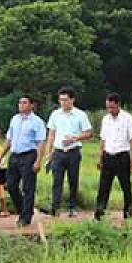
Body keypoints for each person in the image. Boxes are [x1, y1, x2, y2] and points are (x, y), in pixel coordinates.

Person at [43, 87, 93, 217]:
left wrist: (75, 138)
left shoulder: (80, 115)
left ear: (72, 100)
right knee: (57, 181)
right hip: (58, 152)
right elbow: (51, 134)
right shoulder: (55, 114)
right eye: (61, 100)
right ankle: (55, 208)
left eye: (65, 100)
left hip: (73, 152)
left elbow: (88, 133)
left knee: (73, 180)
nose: (63, 103)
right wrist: (48, 153)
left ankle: (72, 207)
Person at [1, 94, 46, 227]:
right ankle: (24, 210)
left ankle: (25, 218)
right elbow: (9, 138)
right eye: (20, 102)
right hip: (14, 155)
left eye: (25, 102)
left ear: (32, 105)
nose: (21, 105)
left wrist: (38, 161)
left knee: (28, 187)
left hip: (29, 155)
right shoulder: (15, 119)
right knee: (10, 185)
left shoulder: (37, 122)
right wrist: (1, 154)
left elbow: (40, 142)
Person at [95, 92, 132, 221]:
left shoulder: (128, 118)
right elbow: (103, 139)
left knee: (126, 187)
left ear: (118, 105)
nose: (110, 110)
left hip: (122, 157)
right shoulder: (105, 119)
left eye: (112, 107)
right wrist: (100, 158)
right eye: (108, 107)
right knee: (103, 188)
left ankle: (128, 215)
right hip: (108, 156)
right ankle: (99, 215)